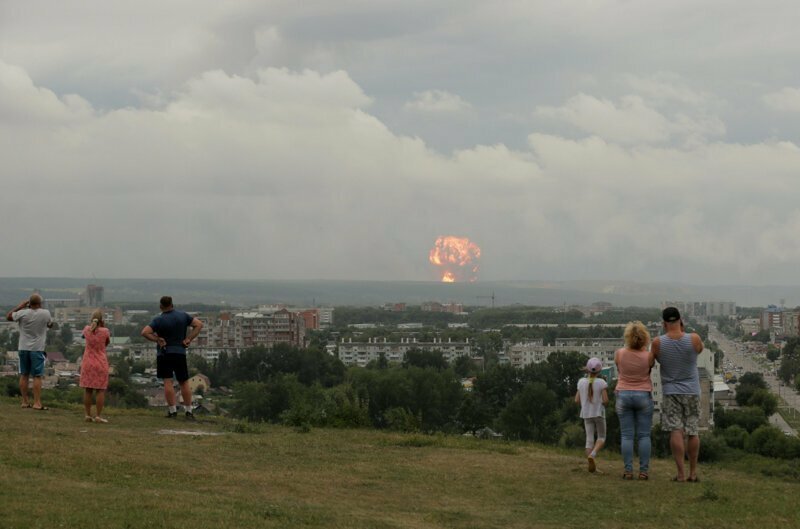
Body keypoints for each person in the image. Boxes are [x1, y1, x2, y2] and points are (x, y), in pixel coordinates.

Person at [652, 306, 704, 482]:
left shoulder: (658, 342)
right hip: (692, 391)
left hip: (670, 391)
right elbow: (699, 350)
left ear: (664, 323)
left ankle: (680, 474)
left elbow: (653, 360)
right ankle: (693, 472)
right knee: (693, 430)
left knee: (676, 430)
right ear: (681, 320)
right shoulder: (694, 339)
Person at [141, 296, 203, 419]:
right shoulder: (183, 316)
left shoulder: (158, 320)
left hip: (164, 353)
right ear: (172, 304)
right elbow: (199, 324)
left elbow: (144, 332)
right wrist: (188, 339)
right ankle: (189, 411)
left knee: (167, 381)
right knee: (184, 382)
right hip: (180, 352)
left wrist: (157, 339)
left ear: (161, 306)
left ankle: (172, 411)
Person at [614, 321, 655, 480]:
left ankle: (628, 470)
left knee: (626, 436)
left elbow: (619, 369)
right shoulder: (649, 356)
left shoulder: (619, 354)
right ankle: (643, 471)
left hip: (623, 395)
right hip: (643, 395)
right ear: (644, 338)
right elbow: (649, 369)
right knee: (644, 436)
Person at [6, 294, 53, 410]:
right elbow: (50, 324)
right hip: (37, 349)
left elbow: (8, 316)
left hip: (23, 348)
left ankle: (25, 401)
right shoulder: (45, 313)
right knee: (37, 376)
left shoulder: (22, 313)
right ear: (40, 303)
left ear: (29, 304)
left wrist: (20, 306)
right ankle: (37, 403)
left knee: (24, 374)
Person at [574, 357, 608, 473]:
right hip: (598, 413)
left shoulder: (581, 382)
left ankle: (591, 467)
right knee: (602, 437)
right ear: (599, 371)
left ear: (587, 369)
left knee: (589, 439)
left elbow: (576, 400)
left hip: (586, 414)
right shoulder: (602, 383)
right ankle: (592, 455)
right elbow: (605, 400)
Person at [79, 309, 111, 423]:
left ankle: (87, 414)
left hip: (87, 362)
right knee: (100, 390)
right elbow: (106, 343)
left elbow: (84, 336)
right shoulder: (105, 331)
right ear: (102, 320)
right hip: (101, 363)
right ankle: (98, 415)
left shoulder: (86, 329)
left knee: (88, 390)